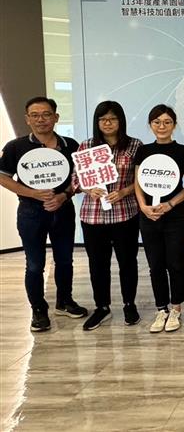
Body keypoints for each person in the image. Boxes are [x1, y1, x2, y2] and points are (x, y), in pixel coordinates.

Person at [0, 97, 88, 332]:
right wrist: (32, 193)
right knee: (35, 264)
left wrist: (64, 196)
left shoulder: (71, 145)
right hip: (31, 212)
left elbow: (78, 179)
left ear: (56, 117)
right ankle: (38, 310)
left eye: (46, 114)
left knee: (65, 259)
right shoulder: (15, 147)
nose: (41, 119)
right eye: (35, 115)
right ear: (27, 119)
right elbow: (2, 176)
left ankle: (65, 301)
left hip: (63, 209)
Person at [72, 101, 143, 331]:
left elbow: (141, 180)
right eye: (103, 119)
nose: (108, 123)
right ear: (97, 122)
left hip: (125, 214)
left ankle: (129, 304)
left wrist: (123, 191)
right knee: (97, 264)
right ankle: (101, 307)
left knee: (128, 262)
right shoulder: (87, 146)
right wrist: (87, 188)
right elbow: (75, 180)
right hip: (93, 217)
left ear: (121, 120)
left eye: (112, 118)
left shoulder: (134, 145)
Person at [134, 105, 184, 333]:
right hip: (149, 215)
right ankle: (162, 309)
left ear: (174, 125)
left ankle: (176, 308)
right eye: (157, 122)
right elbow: (137, 181)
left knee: (175, 263)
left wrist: (170, 204)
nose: (162, 126)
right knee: (155, 264)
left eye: (167, 122)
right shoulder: (143, 150)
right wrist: (143, 206)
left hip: (176, 215)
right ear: (150, 125)